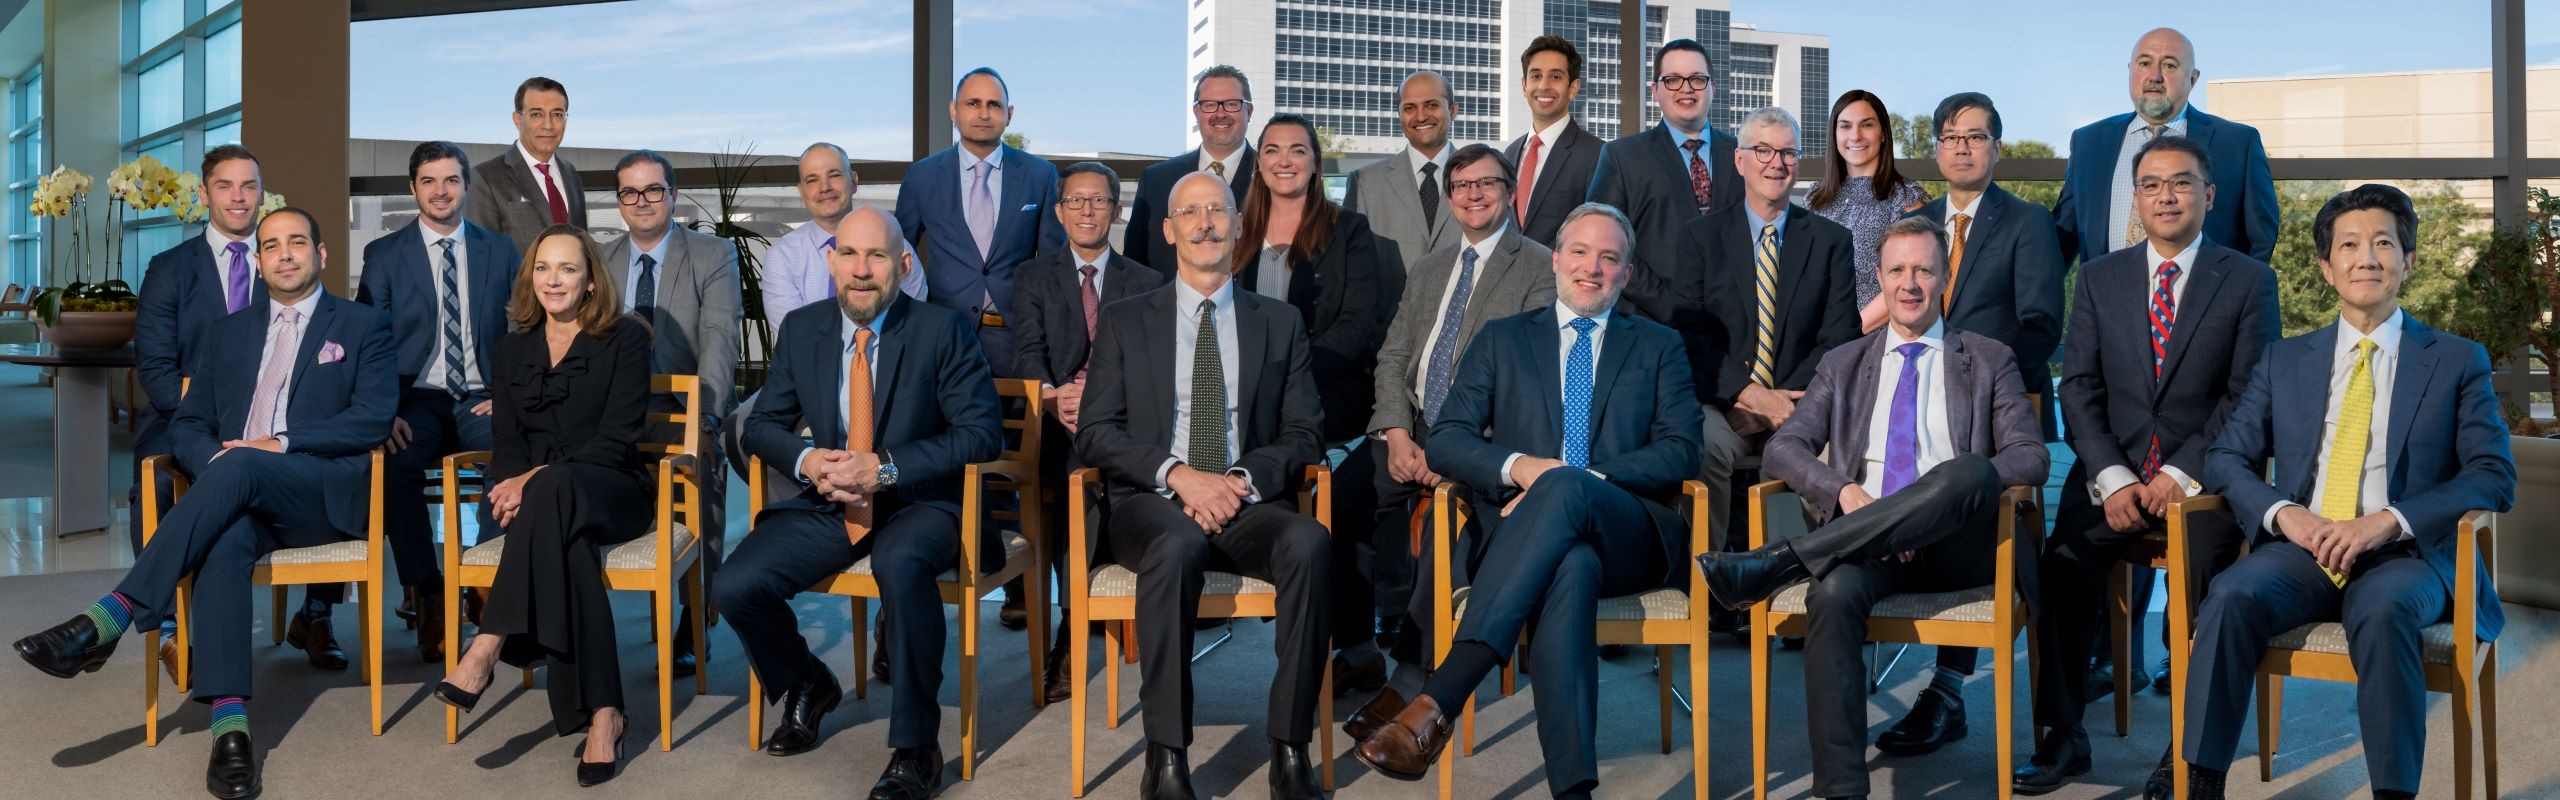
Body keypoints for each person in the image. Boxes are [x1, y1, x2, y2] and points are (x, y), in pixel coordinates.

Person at [16, 207, 397, 800]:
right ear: (260, 260)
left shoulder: (364, 325)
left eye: (298, 242)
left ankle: (113, 615)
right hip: (238, 488)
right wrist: (216, 461)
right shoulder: (229, 333)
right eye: (272, 245)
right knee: (224, 538)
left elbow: (371, 420)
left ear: (322, 254)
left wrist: (277, 444)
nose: (286, 254)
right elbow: (190, 423)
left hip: (319, 495)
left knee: (243, 461)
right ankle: (230, 727)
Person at [1352, 203, 1704, 800]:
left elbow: (1682, 451)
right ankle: (1573, 791)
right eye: (1579, 252)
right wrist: (1523, 469)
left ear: (1626, 272)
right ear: (1557, 260)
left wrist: (1575, 480)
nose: (1591, 267)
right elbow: (1449, 439)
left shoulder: (1658, 345)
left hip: (1629, 533)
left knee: (1567, 485)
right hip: (1530, 542)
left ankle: (1442, 696)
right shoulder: (1504, 338)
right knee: (1570, 566)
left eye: (1609, 257)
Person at [1695, 215, 2050, 800]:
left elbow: (2030, 456)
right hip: (1866, 534)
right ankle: (1840, 789)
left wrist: (1937, 501)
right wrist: (1841, 491)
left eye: (1923, 270)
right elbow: (1785, 445)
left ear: (1944, 280)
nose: (1910, 284)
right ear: (1881, 284)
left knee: (1964, 471)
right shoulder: (1844, 363)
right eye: (1897, 271)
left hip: (1960, 544)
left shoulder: (1988, 358)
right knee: (1830, 595)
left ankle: (1784, 559)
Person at [2178, 184, 2514, 800]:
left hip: (2406, 557)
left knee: (2382, 611)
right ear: (2327, 267)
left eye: (2383, 243)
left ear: (2407, 262)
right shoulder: (2286, 361)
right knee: (2229, 596)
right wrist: (2286, 516)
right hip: (2303, 550)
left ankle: (2392, 793)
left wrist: (2388, 520)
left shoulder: (2457, 359)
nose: (2367, 258)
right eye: (2350, 245)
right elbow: (2226, 454)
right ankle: (2200, 782)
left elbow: (2494, 474)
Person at [2016, 135, 2278, 796]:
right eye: (2154, 184)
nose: (2167, 195)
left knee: (2213, 600)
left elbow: (2250, 396)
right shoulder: (2101, 277)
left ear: (2209, 195)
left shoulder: (2248, 280)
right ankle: (2063, 735)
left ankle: (2190, 754)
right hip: (2113, 477)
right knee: (2062, 571)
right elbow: (2077, 388)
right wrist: (2113, 477)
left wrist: (2182, 475)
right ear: (2136, 198)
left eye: (2182, 183)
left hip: (2208, 483)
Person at [714, 206, 1004, 800]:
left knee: (900, 566)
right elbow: (762, 423)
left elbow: (981, 433)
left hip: (921, 503)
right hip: (832, 501)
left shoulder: (941, 330)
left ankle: (917, 745)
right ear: (830, 262)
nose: (862, 270)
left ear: (902, 264)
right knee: (734, 584)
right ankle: (805, 681)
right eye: (849, 254)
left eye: (876, 256)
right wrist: (808, 461)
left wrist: (886, 468)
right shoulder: (803, 329)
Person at [1075, 171, 1332, 800]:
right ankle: (1166, 756)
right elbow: (1095, 433)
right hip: (1153, 505)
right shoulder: (1125, 319)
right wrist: (1180, 476)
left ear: (1238, 225)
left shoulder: (1279, 321)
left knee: (1311, 543)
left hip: (1245, 502)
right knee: (1177, 545)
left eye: (1217, 210)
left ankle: (1290, 748)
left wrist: (1240, 480)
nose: (1205, 222)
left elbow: (1305, 433)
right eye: (1190, 213)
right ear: (1168, 230)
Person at [1346, 143, 1557, 741]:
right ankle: (1357, 646)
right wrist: (1393, 433)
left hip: (1480, 439)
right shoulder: (1432, 267)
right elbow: (1393, 357)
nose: (1473, 194)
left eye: (1486, 183)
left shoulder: (1541, 267)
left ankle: (1412, 676)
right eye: (1461, 185)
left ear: (1510, 191)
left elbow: (1531, 380)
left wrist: (1456, 448)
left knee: (1447, 524)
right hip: (1408, 430)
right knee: (1338, 504)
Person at [430, 225, 651, 787]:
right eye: (544, 268)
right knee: (569, 545)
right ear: (532, 277)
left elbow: (617, 438)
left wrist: (528, 479)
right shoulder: (512, 349)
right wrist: (509, 483)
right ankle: (605, 715)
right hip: (547, 503)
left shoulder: (625, 338)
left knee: (552, 487)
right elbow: (507, 442)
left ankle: (486, 644)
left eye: (568, 268)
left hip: (612, 489)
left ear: (591, 282)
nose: (554, 279)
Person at [1884, 92, 2065, 752]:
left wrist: (1978, 389)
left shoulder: (2027, 223)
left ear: (1996, 149)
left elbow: (2042, 326)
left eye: (1977, 136)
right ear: (1936, 149)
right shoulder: (1914, 223)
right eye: (1951, 136)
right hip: (1910, 404)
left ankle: (1947, 688)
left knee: (1967, 485)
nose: (1963, 146)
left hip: (1997, 409)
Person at [1236, 112, 1389, 696]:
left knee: (1341, 510)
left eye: (1297, 150)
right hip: (1250, 411)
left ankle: (1357, 647)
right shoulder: (1237, 230)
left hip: (1331, 402)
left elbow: (1357, 328)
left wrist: (1285, 375)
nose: (1284, 160)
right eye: (1272, 150)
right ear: (1259, 163)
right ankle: (1292, 636)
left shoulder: (1349, 230)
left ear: (1315, 163)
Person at [1674, 106, 1861, 561]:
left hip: (1802, 403)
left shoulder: (1830, 241)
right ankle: (1712, 585)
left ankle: (1810, 590)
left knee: (1838, 454)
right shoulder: (1700, 238)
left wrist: (1776, 404)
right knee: (1702, 448)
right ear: (1740, 161)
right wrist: (1749, 396)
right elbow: (1690, 336)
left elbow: (1839, 337)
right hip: (1724, 404)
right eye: (1763, 151)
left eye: (1788, 152)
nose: (1776, 163)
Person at [1011, 161, 1168, 702]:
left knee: (1109, 464)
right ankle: (1074, 622)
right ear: (1058, 212)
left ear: (1116, 211)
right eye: (1075, 201)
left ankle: (1110, 608)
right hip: (1059, 420)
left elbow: (1154, 365)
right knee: (1078, 472)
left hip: (1125, 419)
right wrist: (1057, 400)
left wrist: (1103, 404)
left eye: (1098, 201)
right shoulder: (1032, 277)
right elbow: (1029, 354)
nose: (1086, 210)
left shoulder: (1147, 281)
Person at [357, 140, 519, 662]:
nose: (441, 190)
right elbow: (369, 343)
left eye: (451, 180)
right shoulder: (384, 254)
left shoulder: (501, 250)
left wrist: (510, 398)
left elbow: (523, 331)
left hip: (482, 396)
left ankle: (482, 576)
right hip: (417, 400)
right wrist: (384, 413)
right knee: (394, 464)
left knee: (514, 452)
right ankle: (426, 592)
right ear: (413, 189)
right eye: (429, 181)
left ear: (466, 186)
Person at [599, 149, 742, 676]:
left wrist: (702, 421)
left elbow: (720, 340)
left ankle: (694, 612)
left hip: (683, 408)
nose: (642, 201)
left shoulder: (711, 253)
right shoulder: (602, 259)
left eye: (653, 190)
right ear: (619, 201)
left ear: (672, 194)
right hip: (616, 410)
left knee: (701, 474)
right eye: (630, 192)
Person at [895, 65, 1066, 380]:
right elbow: (895, 255)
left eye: (994, 105)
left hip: (1018, 341)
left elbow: (1054, 266)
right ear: (953, 111)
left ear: (1009, 114)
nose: (983, 113)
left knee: (1019, 430)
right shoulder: (922, 176)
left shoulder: (1040, 175)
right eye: (973, 103)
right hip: (943, 339)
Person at [2056, 27, 2278, 267]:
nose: (2154, 76)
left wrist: (2237, 298)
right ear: (2130, 71)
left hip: (2208, 301)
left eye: (2169, 66)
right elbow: (2063, 236)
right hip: (2106, 301)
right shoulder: (2089, 142)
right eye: (2144, 63)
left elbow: (2260, 239)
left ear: (2193, 78)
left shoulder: (2238, 144)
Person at [1586, 37, 1742, 322]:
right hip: (1648, 325)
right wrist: (1672, 306)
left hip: (1733, 328)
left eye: (1697, 79)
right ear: (1655, 90)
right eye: (1672, 80)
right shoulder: (1621, 156)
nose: (1686, 88)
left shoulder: (1742, 154)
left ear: (1713, 88)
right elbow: (1606, 243)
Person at [757, 142, 928, 320]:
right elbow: (794, 335)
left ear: (854, 180)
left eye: (835, 175)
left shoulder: (896, 246)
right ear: (801, 191)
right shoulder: (782, 256)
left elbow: (914, 323)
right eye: (812, 180)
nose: (825, 187)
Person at [1807, 90, 1931, 334]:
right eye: (1845, 126)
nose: (1856, 136)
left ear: (1883, 133)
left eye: (1867, 125)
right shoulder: (1815, 199)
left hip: (1879, 340)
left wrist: (1848, 332)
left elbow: (1913, 280)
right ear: (1834, 134)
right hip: (1819, 340)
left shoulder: (1907, 198)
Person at [1128, 65, 1258, 276]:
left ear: (1249, 111)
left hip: (1253, 307)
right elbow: (1135, 263)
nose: (1220, 113)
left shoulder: (1271, 177)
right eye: (1209, 105)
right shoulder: (1155, 180)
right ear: (1196, 112)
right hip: (1169, 307)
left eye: (1232, 104)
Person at [1344, 70, 1455, 286]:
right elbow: (1350, 265)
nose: (1421, 116)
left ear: (1453, 109)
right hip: (1389, 318)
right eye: (1409, 108)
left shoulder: (1484, 178)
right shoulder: (1364, 183)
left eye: (1431, 105)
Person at [465, 77, 588, 251]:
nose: (548, 125)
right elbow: (480, 256)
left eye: (557, 114)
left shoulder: (571, 173)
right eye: (536, 114)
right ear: (517, 119)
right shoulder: (485, 178)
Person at [1504, 35, 1602, 248]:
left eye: (1556, 77)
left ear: (1573, 88)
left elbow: (1601, 235)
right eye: (1536, 75)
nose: (1544, 86)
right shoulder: (1510, 153)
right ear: (1524, 86)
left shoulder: (1598, 155)